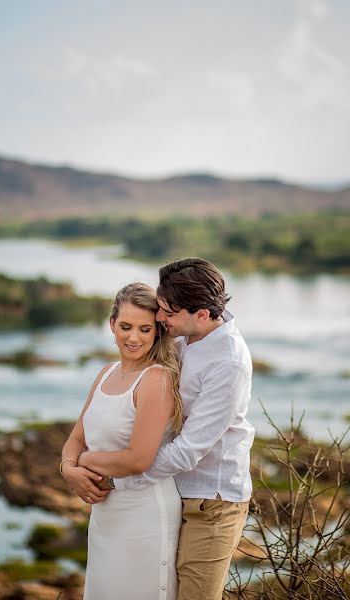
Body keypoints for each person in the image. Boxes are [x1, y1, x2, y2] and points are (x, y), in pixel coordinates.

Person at [79, 257, 254, 600]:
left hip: (210, 502)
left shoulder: (228, 362)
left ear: (202, 314)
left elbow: (189, 449)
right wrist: (73, 466)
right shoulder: (183, 337)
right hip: (171, 494)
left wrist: (119, 479)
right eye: (160, 308)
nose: (160, 319)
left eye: (168, 313)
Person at [60, 282, 184, 600]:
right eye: (126, 327)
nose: (134, 337)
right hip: (105, 514)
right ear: (112, 324)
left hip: (145, 515)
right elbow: (77, 437)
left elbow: (138, 459)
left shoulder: (156, 379)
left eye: (145, 329)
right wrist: (67, 470)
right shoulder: (106, 372)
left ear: (157, 332)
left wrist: (84, 462)